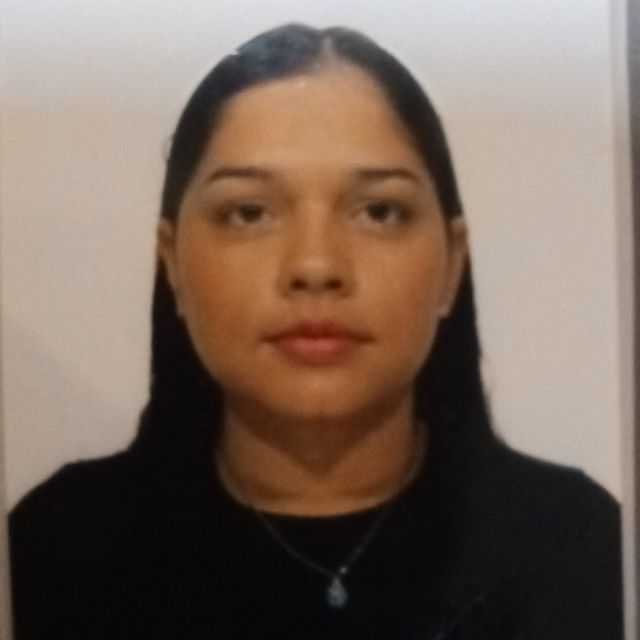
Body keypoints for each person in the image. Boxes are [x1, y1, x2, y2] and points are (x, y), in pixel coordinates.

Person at [8, 23, 623, 639]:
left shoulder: (584, 548)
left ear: (452, 264)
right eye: (249, 212)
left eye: (379, 211)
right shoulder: (54, 552)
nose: (316, 265)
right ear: (173, 264)